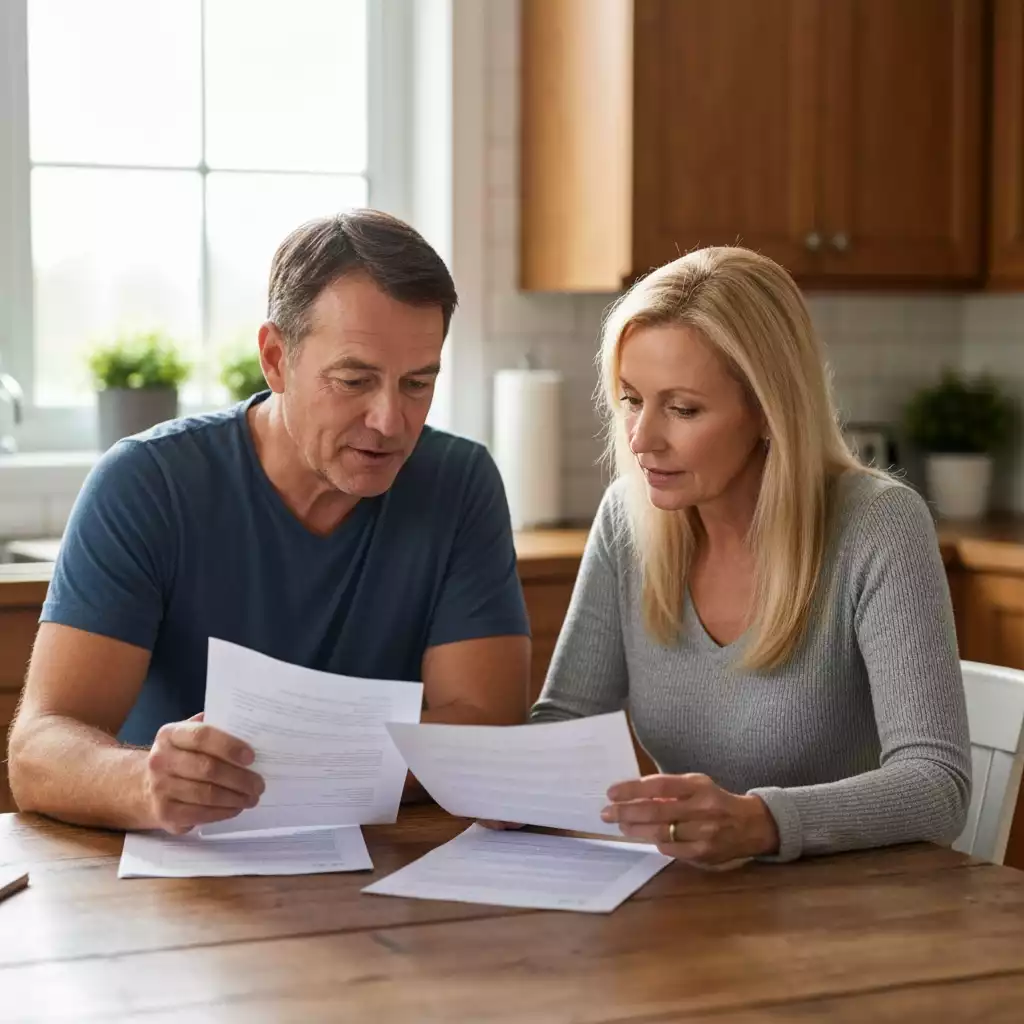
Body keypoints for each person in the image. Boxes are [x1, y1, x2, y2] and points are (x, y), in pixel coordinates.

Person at [9, 209, 530, 835]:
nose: (391, 421)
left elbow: (488, 733)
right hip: (186, 871)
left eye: (417, 384)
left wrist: (287, 755)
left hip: (388, 865)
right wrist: (144, 781)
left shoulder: (460, 482)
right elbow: (37, 752)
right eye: (354, 380)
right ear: (276, 358)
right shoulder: (148, 483)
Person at [529, 246, 971, 865]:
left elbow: (937, 786)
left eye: (682, 409)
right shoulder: (627, 519)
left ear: (768, 411)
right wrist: (513, 781)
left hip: (856, 916)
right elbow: (566, 721)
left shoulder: (878, 524)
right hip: (697, 908)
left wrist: (761, 821)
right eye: (631, 398)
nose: (641, 439)